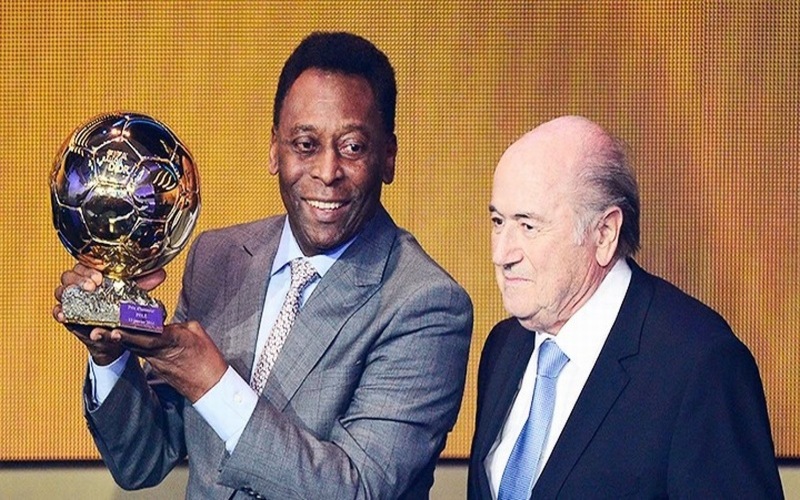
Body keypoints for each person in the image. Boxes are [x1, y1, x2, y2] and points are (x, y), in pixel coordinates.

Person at [53, 32, 473, 499]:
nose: (327, 172)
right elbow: (142, 462)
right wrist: (110, 355)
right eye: (305, 144)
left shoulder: (425, 304)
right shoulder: (218, 259)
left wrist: (211, 382)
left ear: (388, 156)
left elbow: (358, 490)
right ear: (275, 149)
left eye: (353, 147)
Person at [467, 115, 783, 499]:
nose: (501, 254)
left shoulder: (700, 364)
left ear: (604, 233)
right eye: (498, 221)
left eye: (527, 226)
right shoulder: (504, 346)